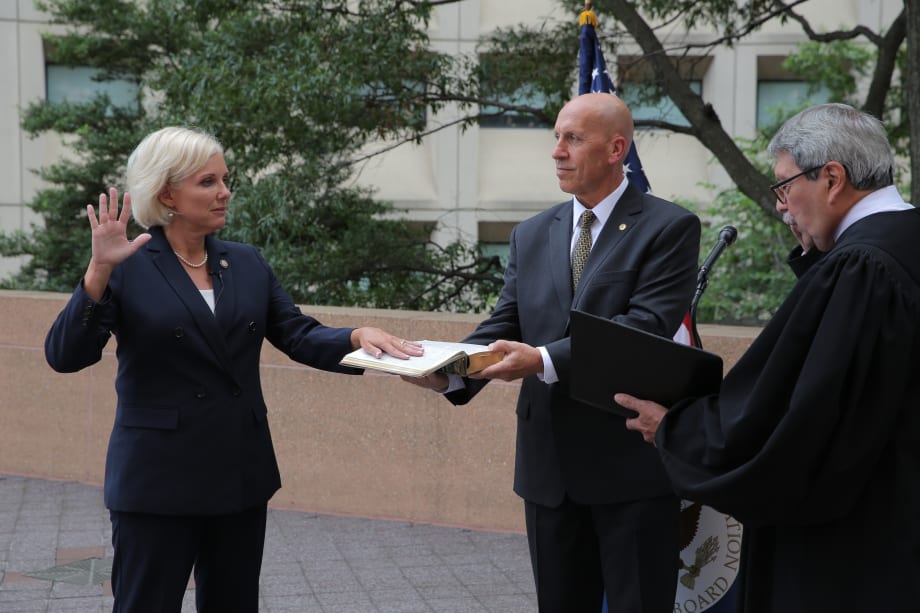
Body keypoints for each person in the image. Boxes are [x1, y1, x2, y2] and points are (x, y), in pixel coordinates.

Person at [44, 126, 424, 613]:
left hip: (239, 473)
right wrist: (98, 273)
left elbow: (297, 333)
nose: (225, 192)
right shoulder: (127, 264)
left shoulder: (245, 262)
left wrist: (354, 338)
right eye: (208, 182)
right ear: (167, 193)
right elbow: (64, 355)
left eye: (225, 179)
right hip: (158, 479)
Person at [618, 103, 920, 612]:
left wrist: (679, 429)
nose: (781, 206)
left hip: (852, 549)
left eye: (784, 186)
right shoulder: (897, 245)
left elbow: (796, 416)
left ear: (831, 178)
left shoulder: (860, 269)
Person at [405, 93, 701, 611]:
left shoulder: (669, 228)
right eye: (556, 138)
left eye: (572, 139)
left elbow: (643, 328)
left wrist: (540, 361)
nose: (557, 152)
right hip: (549, 475)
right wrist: (450, 371)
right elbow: (505, 323)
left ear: (615, 149)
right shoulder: (532, 233)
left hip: (628, 471)